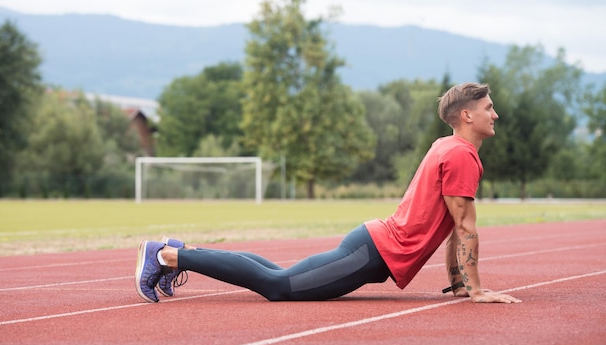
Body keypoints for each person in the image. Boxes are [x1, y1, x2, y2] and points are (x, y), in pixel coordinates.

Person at [135, 82, 521, 304]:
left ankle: (176, 253)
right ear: (467, 115)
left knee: (274, 273)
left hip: (372, 245)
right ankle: (168, 255)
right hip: (374, 250)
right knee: (277, 286)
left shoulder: (450, 147)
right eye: (489, 108)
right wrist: (476, 291)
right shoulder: (461, 155)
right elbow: (467, 227)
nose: (495, 114)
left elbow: (456, 226)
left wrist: (459, 282)